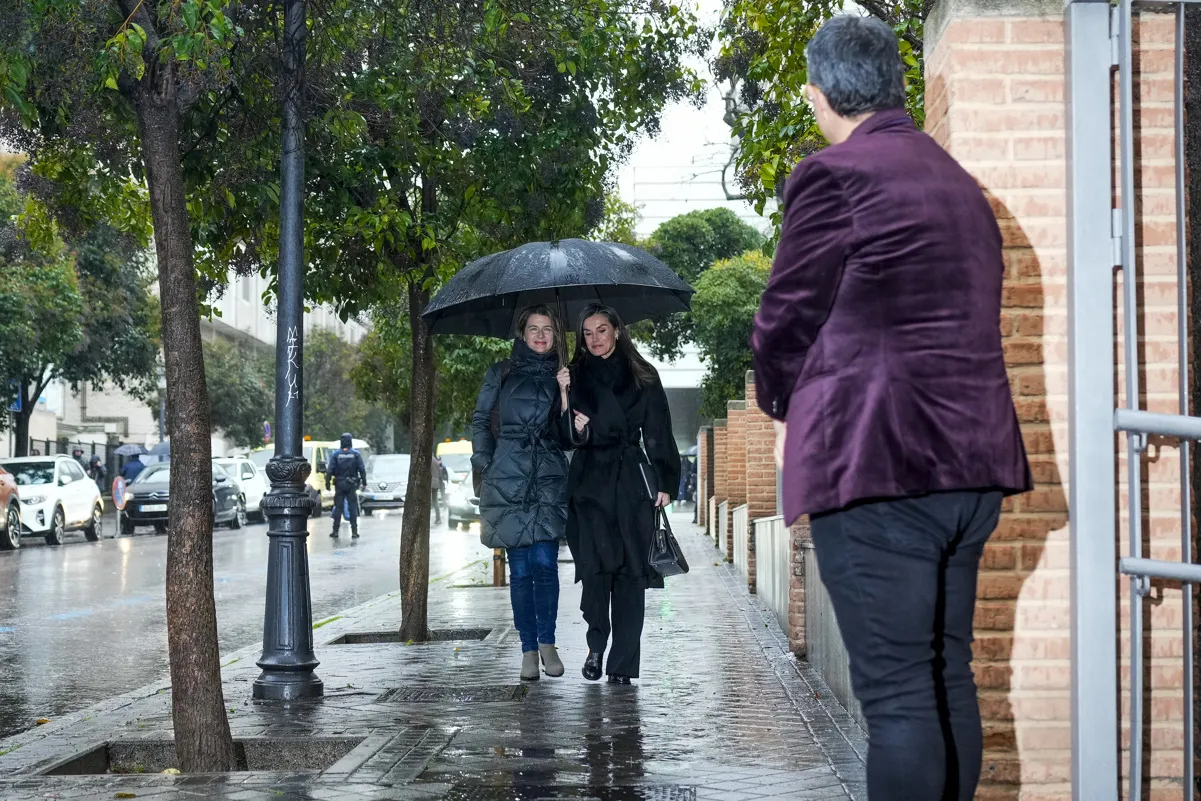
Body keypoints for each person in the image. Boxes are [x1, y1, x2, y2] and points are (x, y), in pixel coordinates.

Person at [749, 16, 1032, 801]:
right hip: (970, 472)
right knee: (947, 678)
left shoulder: (834, 175)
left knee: (901, 697)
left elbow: (780, 321)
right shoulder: (958, 184)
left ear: (817, 93)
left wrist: (780, 413)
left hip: (882, 469)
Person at [565, 304, 679, 686]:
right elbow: (561, 434)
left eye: (601, 330)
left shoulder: (643, 375)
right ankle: (596, 644)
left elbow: (659, 431)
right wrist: (569, 412)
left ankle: (623, 666)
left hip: (631, 483)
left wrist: (664, 481)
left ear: (616, 330)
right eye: (587, 333)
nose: (594, 339)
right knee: (596, 572)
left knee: (631, 575)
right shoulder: (574, 377)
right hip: (590, 484)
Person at [472, 305, 577, 682]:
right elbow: (482, 421)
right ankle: (528, 650)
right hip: (507, 477)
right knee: (519, 570)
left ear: (556, 335)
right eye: (533, 328)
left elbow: (569, 437)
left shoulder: (564, 375)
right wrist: (486, 464)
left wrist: (565, 394)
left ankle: (548, 642)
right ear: (522, 333)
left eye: (547, 329)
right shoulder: (500, 373)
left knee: (546, 564)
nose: (540, 335)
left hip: (547, 476)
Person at [325, 433, 367, 539]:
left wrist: (328, 483)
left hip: (339, 483)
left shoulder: (336, 454)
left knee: (338, 508)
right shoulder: (356, 454)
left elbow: (330, 470)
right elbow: (362, 469)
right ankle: (354, 531)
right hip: (351, 484)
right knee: (352, 508)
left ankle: (335, 531)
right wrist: (364, 482)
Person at [431, 455, 446, 524]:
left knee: (430, 501)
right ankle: (438, 518)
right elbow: (440, 473)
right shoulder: (435, 461)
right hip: (436, 483)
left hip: (430, 482)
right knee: (435, 501)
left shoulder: (428, 460)